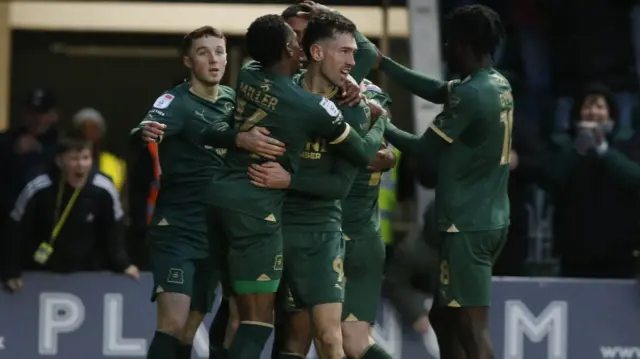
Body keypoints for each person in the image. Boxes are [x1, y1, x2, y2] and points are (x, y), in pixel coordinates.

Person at [203, 13, 387, 359]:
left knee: (330, 338)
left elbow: (341, 187)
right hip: (271, 219)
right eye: (344, 53)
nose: (352, 61)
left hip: (320, 231)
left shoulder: (252, 75)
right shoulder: (309, 101)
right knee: (261, 325)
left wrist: (290, 178)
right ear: (310, 52)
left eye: (353, 53)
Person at [131, 26, 286, 359]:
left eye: (219, 51)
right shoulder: (175, 101)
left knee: (191, 327)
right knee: (172, 322)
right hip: (178, 229)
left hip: (218, 229)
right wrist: (144, 131)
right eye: (204, 52)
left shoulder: (233, 99)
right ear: (189, 61)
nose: (214, 59)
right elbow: (147, 126)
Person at [374, 5, 510, 359]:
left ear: (464, 43)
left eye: (451, 41)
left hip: (467, 224)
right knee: (443, 316)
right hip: (486, 216)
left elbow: (423, 150)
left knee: (470, 324)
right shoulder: (495, 83)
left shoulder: (472, 94)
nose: (448, 48)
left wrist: (377, 122)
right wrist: (384, 63)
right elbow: (437, 90)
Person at [2, 134, 138, 292]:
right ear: (59, 161)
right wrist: (11, 271)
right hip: (39, 269)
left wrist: (123, 264)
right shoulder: (38, 186)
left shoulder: (103, 187)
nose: (81, 165)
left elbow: (114, 228)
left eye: (86, 158)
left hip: (86, 269)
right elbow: (16, 229)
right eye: (74, 159)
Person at [538, 84, 640, 279]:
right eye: (587, 107)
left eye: (600, 107)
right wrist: (577, 150)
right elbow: (550, 179)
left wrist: (604, 151)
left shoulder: (628, 142)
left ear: (611, 115)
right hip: (573, 247)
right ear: (578, 113)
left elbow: (635, 177)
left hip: (620, 248)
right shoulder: (561, 142)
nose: (593, 113)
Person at [73, 108, 127, 193]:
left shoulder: (115, 163)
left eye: (94, 128)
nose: (90, 133)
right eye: (86, 128)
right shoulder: (68, 161)